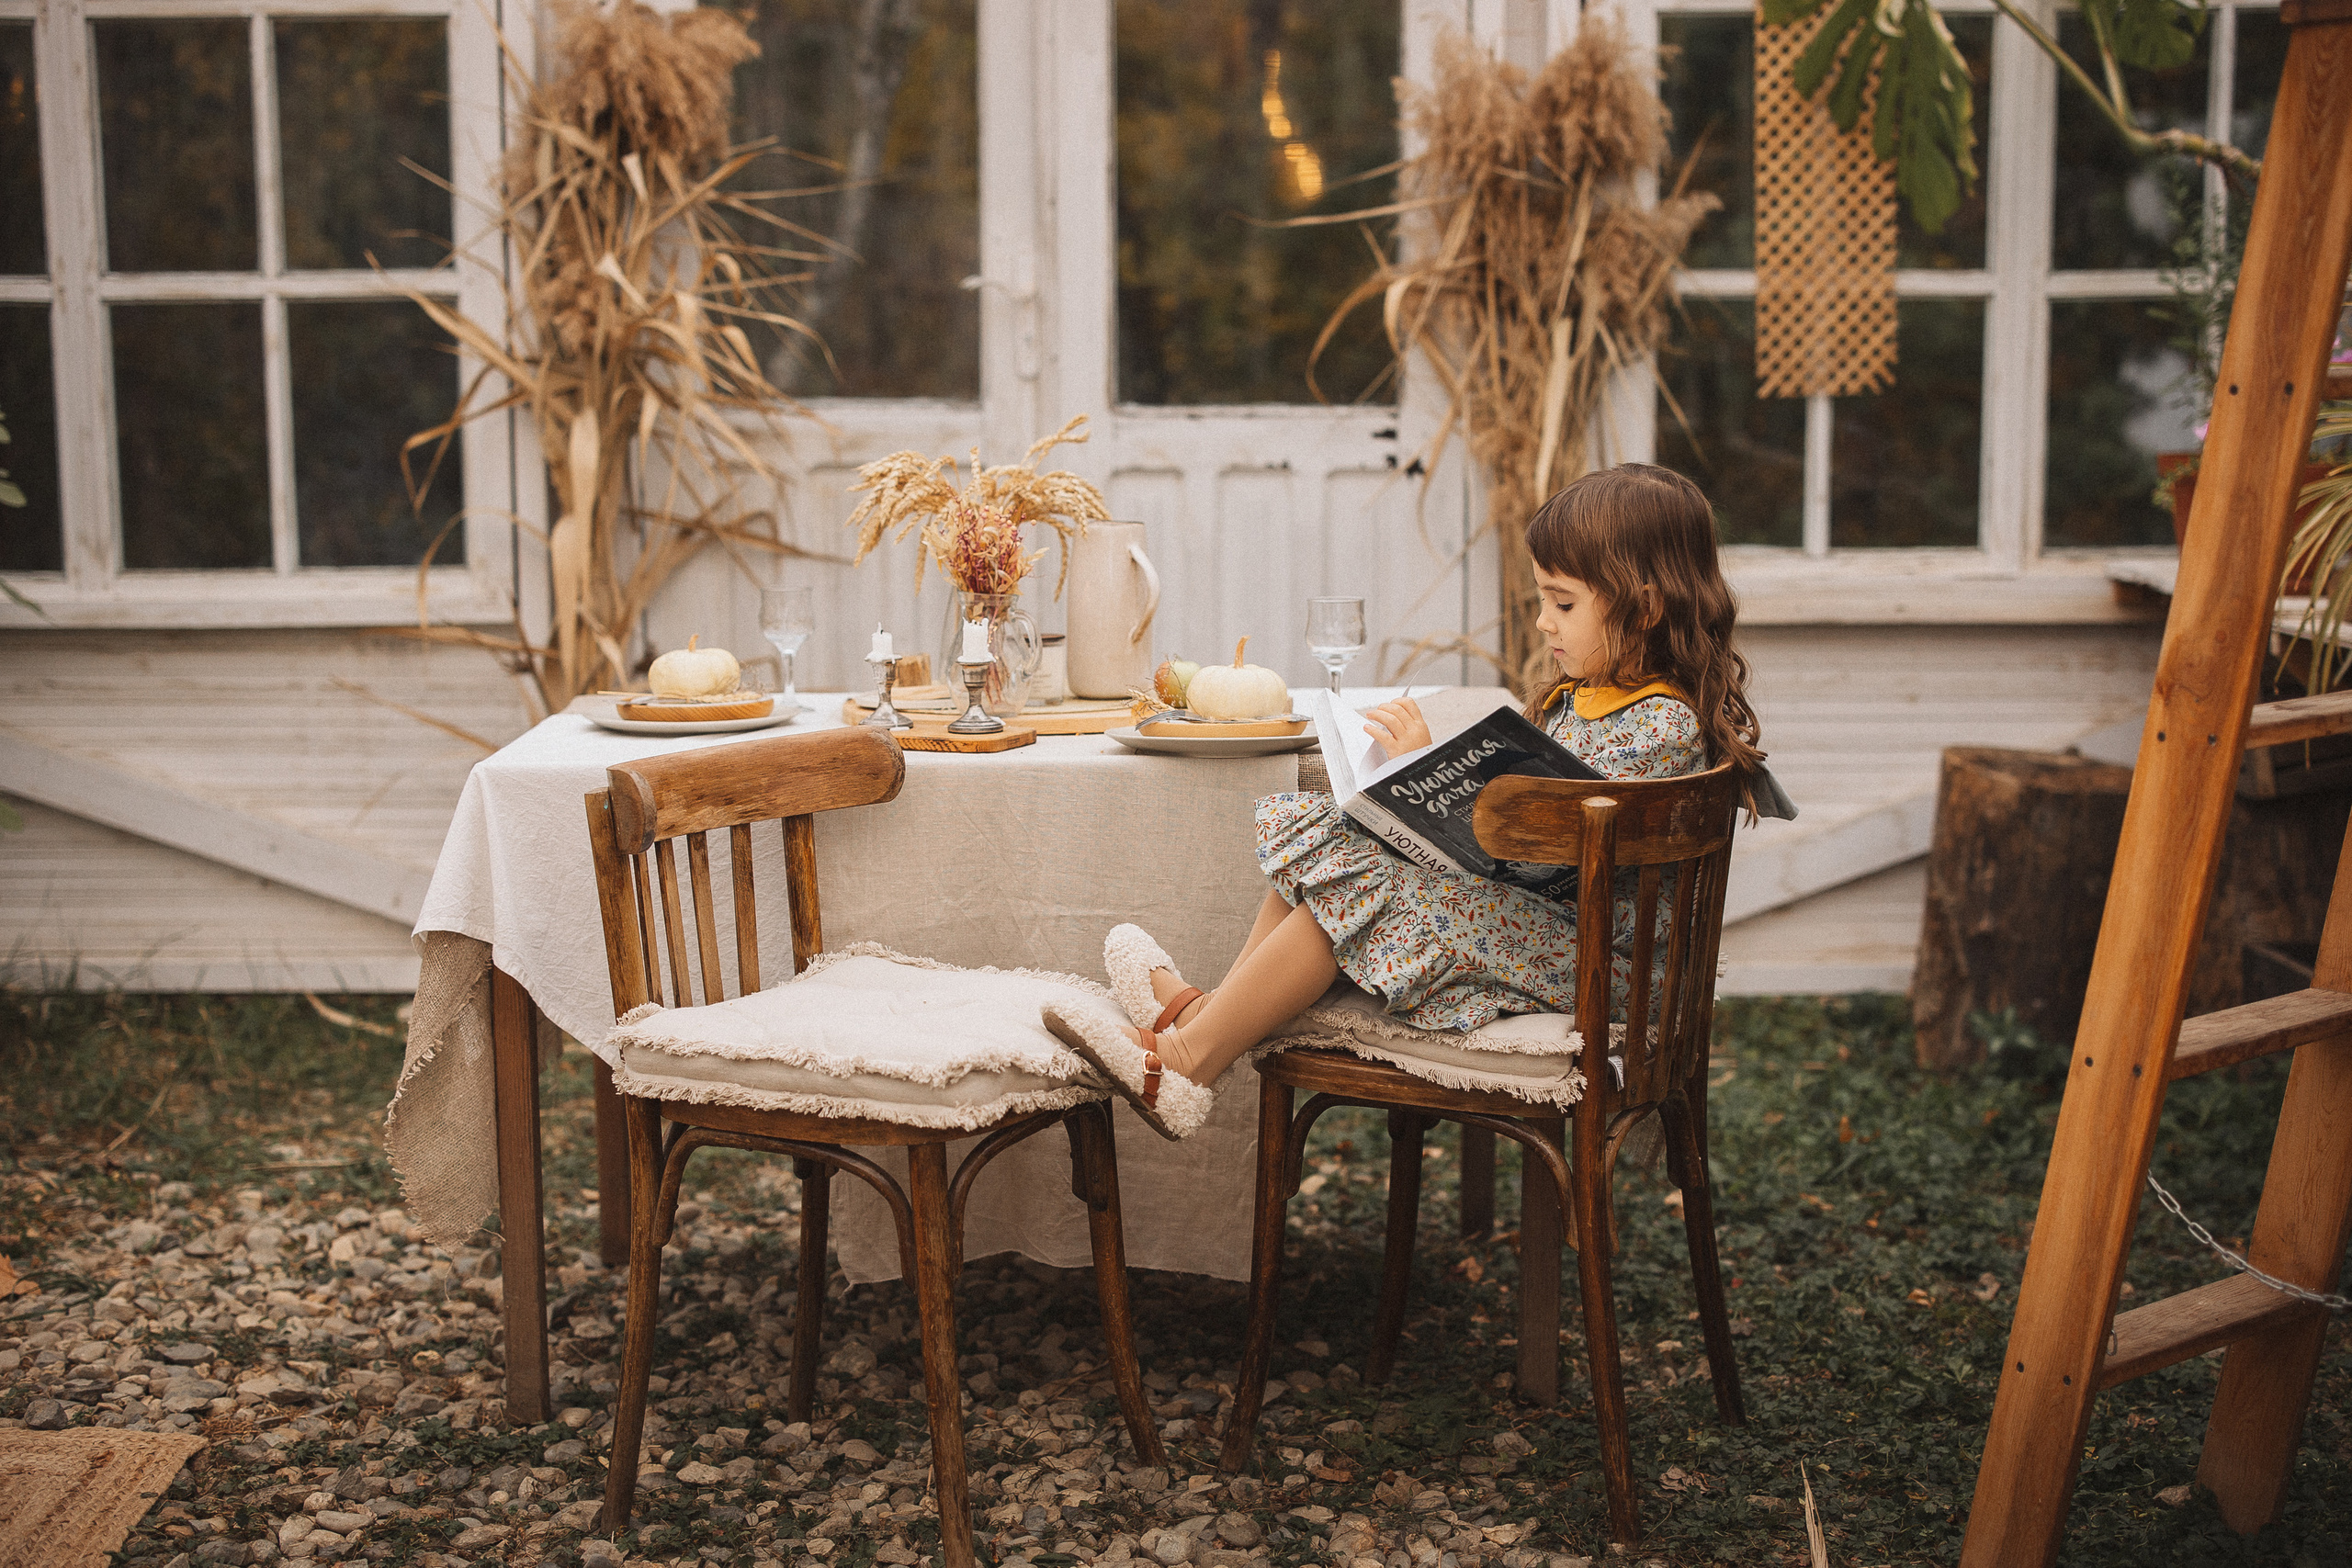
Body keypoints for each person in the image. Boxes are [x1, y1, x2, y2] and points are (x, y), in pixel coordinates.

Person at [1044, 463, 1767, 1140]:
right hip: (1553, 929)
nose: (1543, 621)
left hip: (1599, 961)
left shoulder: (1662, 723)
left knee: (1372, 888)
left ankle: (1185, 1059)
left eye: (1563, 602)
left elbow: (1557, 845)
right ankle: (1209, 1020)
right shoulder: (1593, 696)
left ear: (1643, 609)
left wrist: (1431, 772)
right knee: (1338, 836)